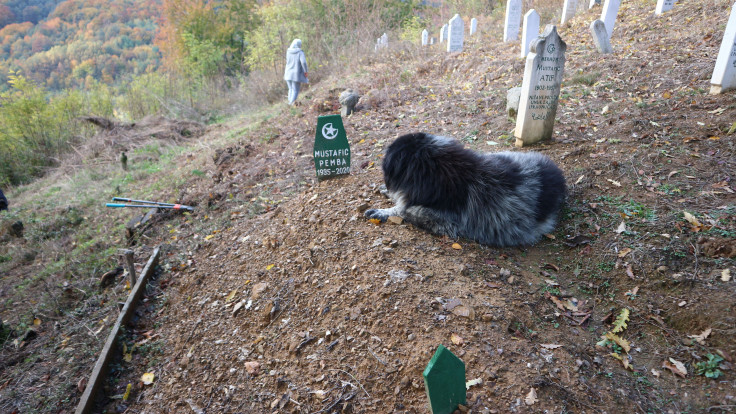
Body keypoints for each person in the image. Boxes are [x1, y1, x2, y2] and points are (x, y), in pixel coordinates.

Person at [283, 39, 309, 105]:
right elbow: (303, 62)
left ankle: (290, 102)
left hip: (288, 72)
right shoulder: (300, 52)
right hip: (296, 74)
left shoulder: (288, 51)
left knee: (290, 89)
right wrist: (306, 71)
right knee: (295, 90)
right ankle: (291, 104)